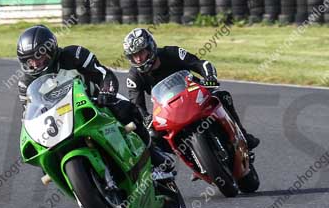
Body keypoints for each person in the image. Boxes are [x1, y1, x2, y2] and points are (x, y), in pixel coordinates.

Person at [16, 25, 174, 181]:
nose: (35, 64)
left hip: (94, 102)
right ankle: (80, 188)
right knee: (49, 157)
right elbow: (29, 117)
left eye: (38, 57)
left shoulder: (74, 55)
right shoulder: (25, 83)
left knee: (128, 110)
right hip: (59, 120)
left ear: (50, 50)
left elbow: (105, 75)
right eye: (29, 60)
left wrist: (106, 92)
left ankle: (156, 159)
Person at [123, 27, 260, 151]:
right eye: (134, 56)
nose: (139, 58)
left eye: (141, 52)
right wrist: (146, 118)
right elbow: (136, 103)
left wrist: (209, 76)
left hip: (195, 94)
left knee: (222, 96)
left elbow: (200, 64)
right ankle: (188, 157)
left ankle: (243, 135)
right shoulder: (134, 76)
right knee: (153, 135)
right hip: (167, 109)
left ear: (150, 47)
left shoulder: (171, 52)